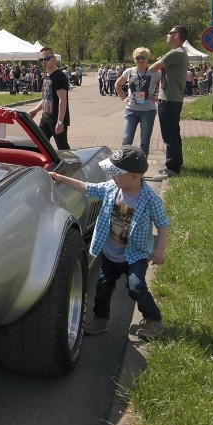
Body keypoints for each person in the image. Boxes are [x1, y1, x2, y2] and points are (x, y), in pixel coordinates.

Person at [50, 145, 170, 340]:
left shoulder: (150, 199)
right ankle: (100, 319)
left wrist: (160, 249)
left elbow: (163, 224)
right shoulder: (111, 188)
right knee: (103, 288)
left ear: (135, 176)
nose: (112, 177)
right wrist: (60, 178)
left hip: (135, 254)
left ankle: (154, 320)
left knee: (136, 287)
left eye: (117, 174)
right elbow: (86, 187)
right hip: (110, 252)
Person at [148, 26, 188, 178]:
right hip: (173, 99)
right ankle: (175, 164)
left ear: (177, 36)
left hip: (169, 100)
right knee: (173, 134)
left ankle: (172, 168)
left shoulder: (175, 53)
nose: (167, 35)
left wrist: (159, 62)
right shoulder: (180, 53)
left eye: (169, 33)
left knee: (169, 135)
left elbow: (152, 68)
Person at [114, 48, 161, 157]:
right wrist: (123, 97)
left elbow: (165, 84)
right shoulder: (129, 71)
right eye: (138, 57)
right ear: (134, 59)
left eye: (143, 57)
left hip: (148, 111)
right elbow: (117, 84)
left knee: (144, 142)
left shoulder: (154, 73)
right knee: (126, 140)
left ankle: (141, 167)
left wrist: (158, 96)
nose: (140, 60)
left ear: (147, 58)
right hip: (131, 110)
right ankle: (124, 165)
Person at [28, 47, 70, 150]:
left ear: (54, 58)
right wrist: (35, 110)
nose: (43, 62)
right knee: (39, 145)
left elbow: (62, 99)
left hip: (56, 120)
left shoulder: (59, 76)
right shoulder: (46, 76)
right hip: (45, 118)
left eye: (46, 59)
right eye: (41, 60)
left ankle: (73, 165)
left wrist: (60, 122)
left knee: (63, 148)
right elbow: (46, 98)